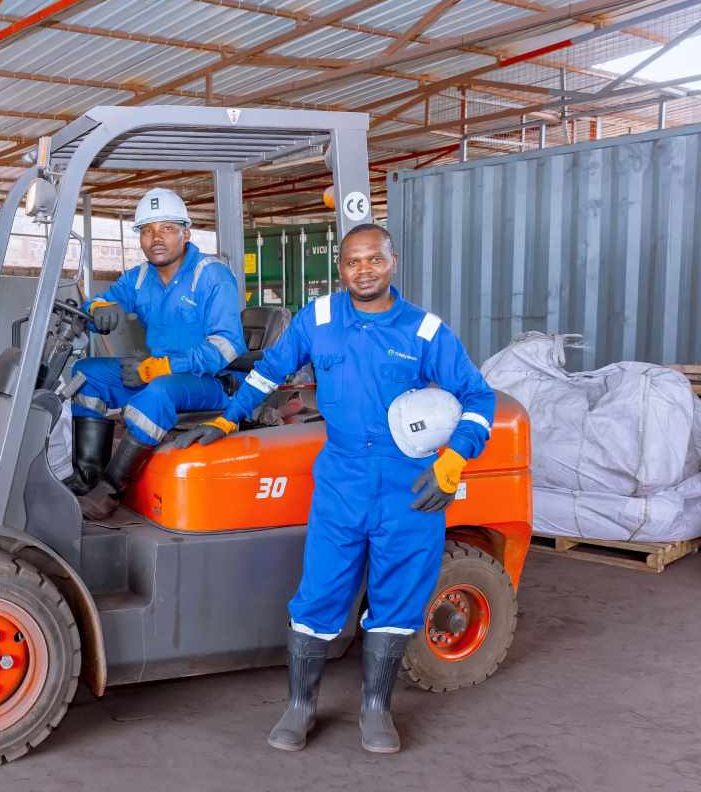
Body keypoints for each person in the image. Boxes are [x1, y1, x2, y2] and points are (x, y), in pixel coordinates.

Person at [175, 223, 495, 754]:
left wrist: (454, 460)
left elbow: (478, 398)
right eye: (351, 262)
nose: (362, 270)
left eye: (373, 260)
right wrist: (230, 419)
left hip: (408, 487)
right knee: (318, 596)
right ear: (340, 268)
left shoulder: (425, 332)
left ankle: (376, 709)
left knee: (397, 600)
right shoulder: (318, 319)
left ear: (392, 262)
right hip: (341, 484)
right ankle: (300, 708)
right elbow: (270, 371)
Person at [69, 187, 246, 520]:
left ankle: (108, 491)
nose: (156, 238)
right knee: (87, 373)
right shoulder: (140, 279)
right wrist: (100, 308)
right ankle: (87, 476)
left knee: (159, 391)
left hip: (210, 382)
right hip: (157, 372)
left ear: (185, 232)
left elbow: (227, 346)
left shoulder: (211, 275)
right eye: (148, 230)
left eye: (166, 228)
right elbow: (97, 302)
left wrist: (162, 367)